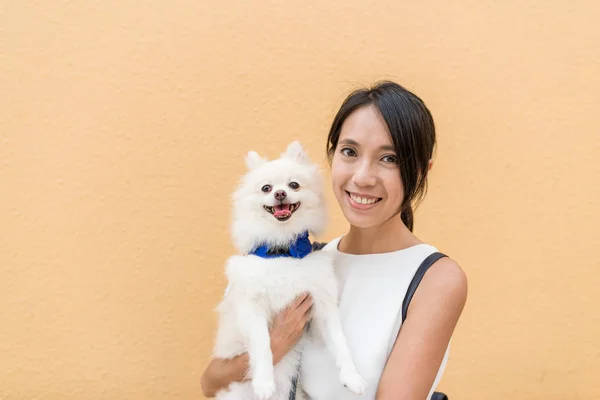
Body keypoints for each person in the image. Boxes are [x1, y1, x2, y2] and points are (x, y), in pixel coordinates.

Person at [201, 81, 468, 399]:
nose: (362, 177)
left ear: (421, 172)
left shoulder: (434, 279)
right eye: (350, 152)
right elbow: (211, 382)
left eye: (389, 158)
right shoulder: (298, 261)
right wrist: (272, 349)